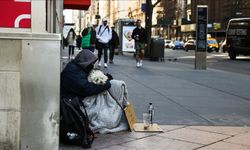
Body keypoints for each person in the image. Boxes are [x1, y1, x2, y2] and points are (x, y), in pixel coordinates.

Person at [61, 50, 128, 134]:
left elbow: (87, 81)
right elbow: (87, 89)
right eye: (90, 63)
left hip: (78, 97)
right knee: (106, 97)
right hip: (74, 103)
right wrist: (105, 84)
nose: (92, 66)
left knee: (117, 85)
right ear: (84, 62)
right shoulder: (72, 72)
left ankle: (118, 109)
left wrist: (105, 77)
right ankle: (112, 114)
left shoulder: (77, 68)